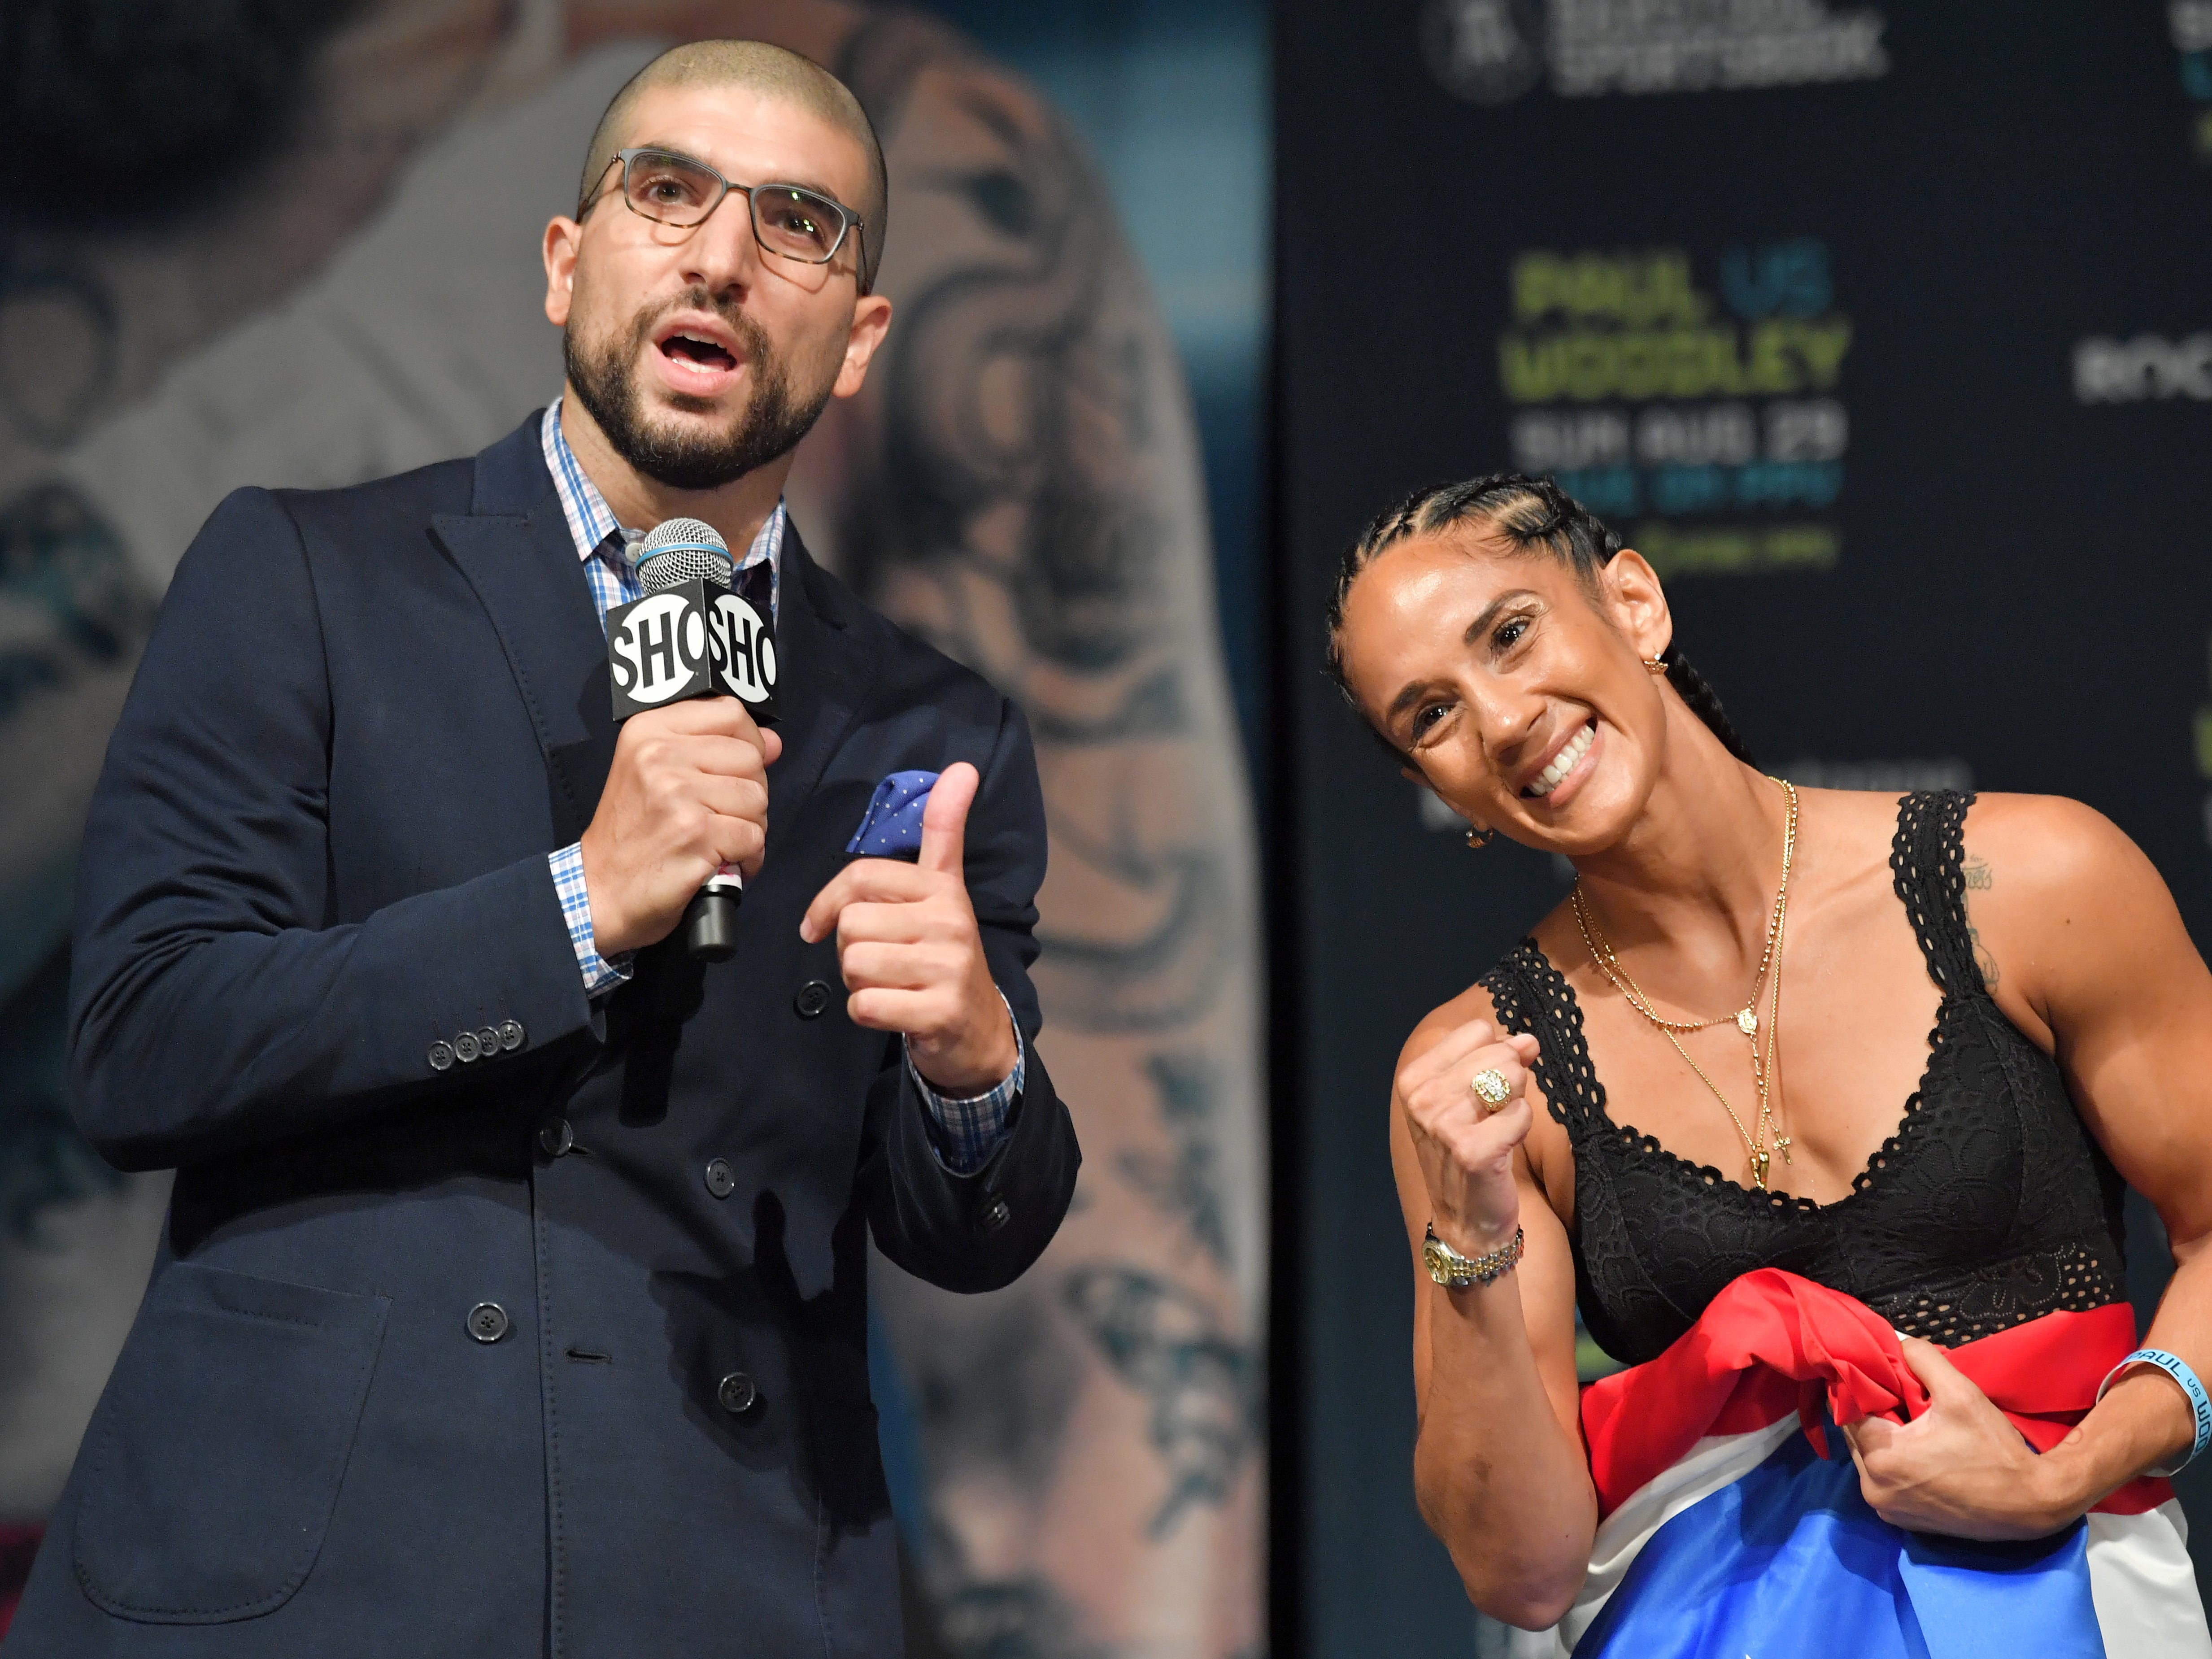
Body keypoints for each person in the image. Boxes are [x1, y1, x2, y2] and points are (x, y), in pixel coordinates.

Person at [7, 39, 1081, 1656]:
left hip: (718, 1561)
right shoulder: (303, 575)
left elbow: (970, 1231)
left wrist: (974, 1063)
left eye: (798, 223)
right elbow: (144, 1041)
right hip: (314, 1558)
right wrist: (576, 906)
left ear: (858, 340)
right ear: (566, 261)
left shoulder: (933, 727)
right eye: (667, 193)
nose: (722, 252)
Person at [1325, 472, 2212, 1652]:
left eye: (1510, 633)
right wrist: (1470, 1227)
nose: (1499, 718)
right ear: (1434, 786)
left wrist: (2069, 1470)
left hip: (2077, 1605)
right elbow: (1519, 1569)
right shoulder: (1475, 1075)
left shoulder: (2030, 880)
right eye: (1429, 714)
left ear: (1633, 604)